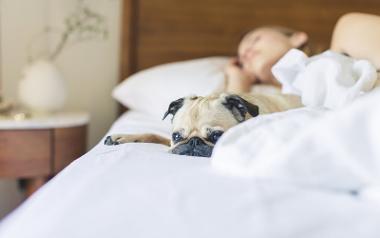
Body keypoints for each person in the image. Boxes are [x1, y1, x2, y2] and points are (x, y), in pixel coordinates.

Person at [224, 12, 380, 94]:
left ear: (297, 38)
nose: (245, 52)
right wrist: (237, 81)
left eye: (255, 39)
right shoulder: (276, 111)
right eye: (242, 60)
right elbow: (228, 132)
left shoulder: (346, 32)